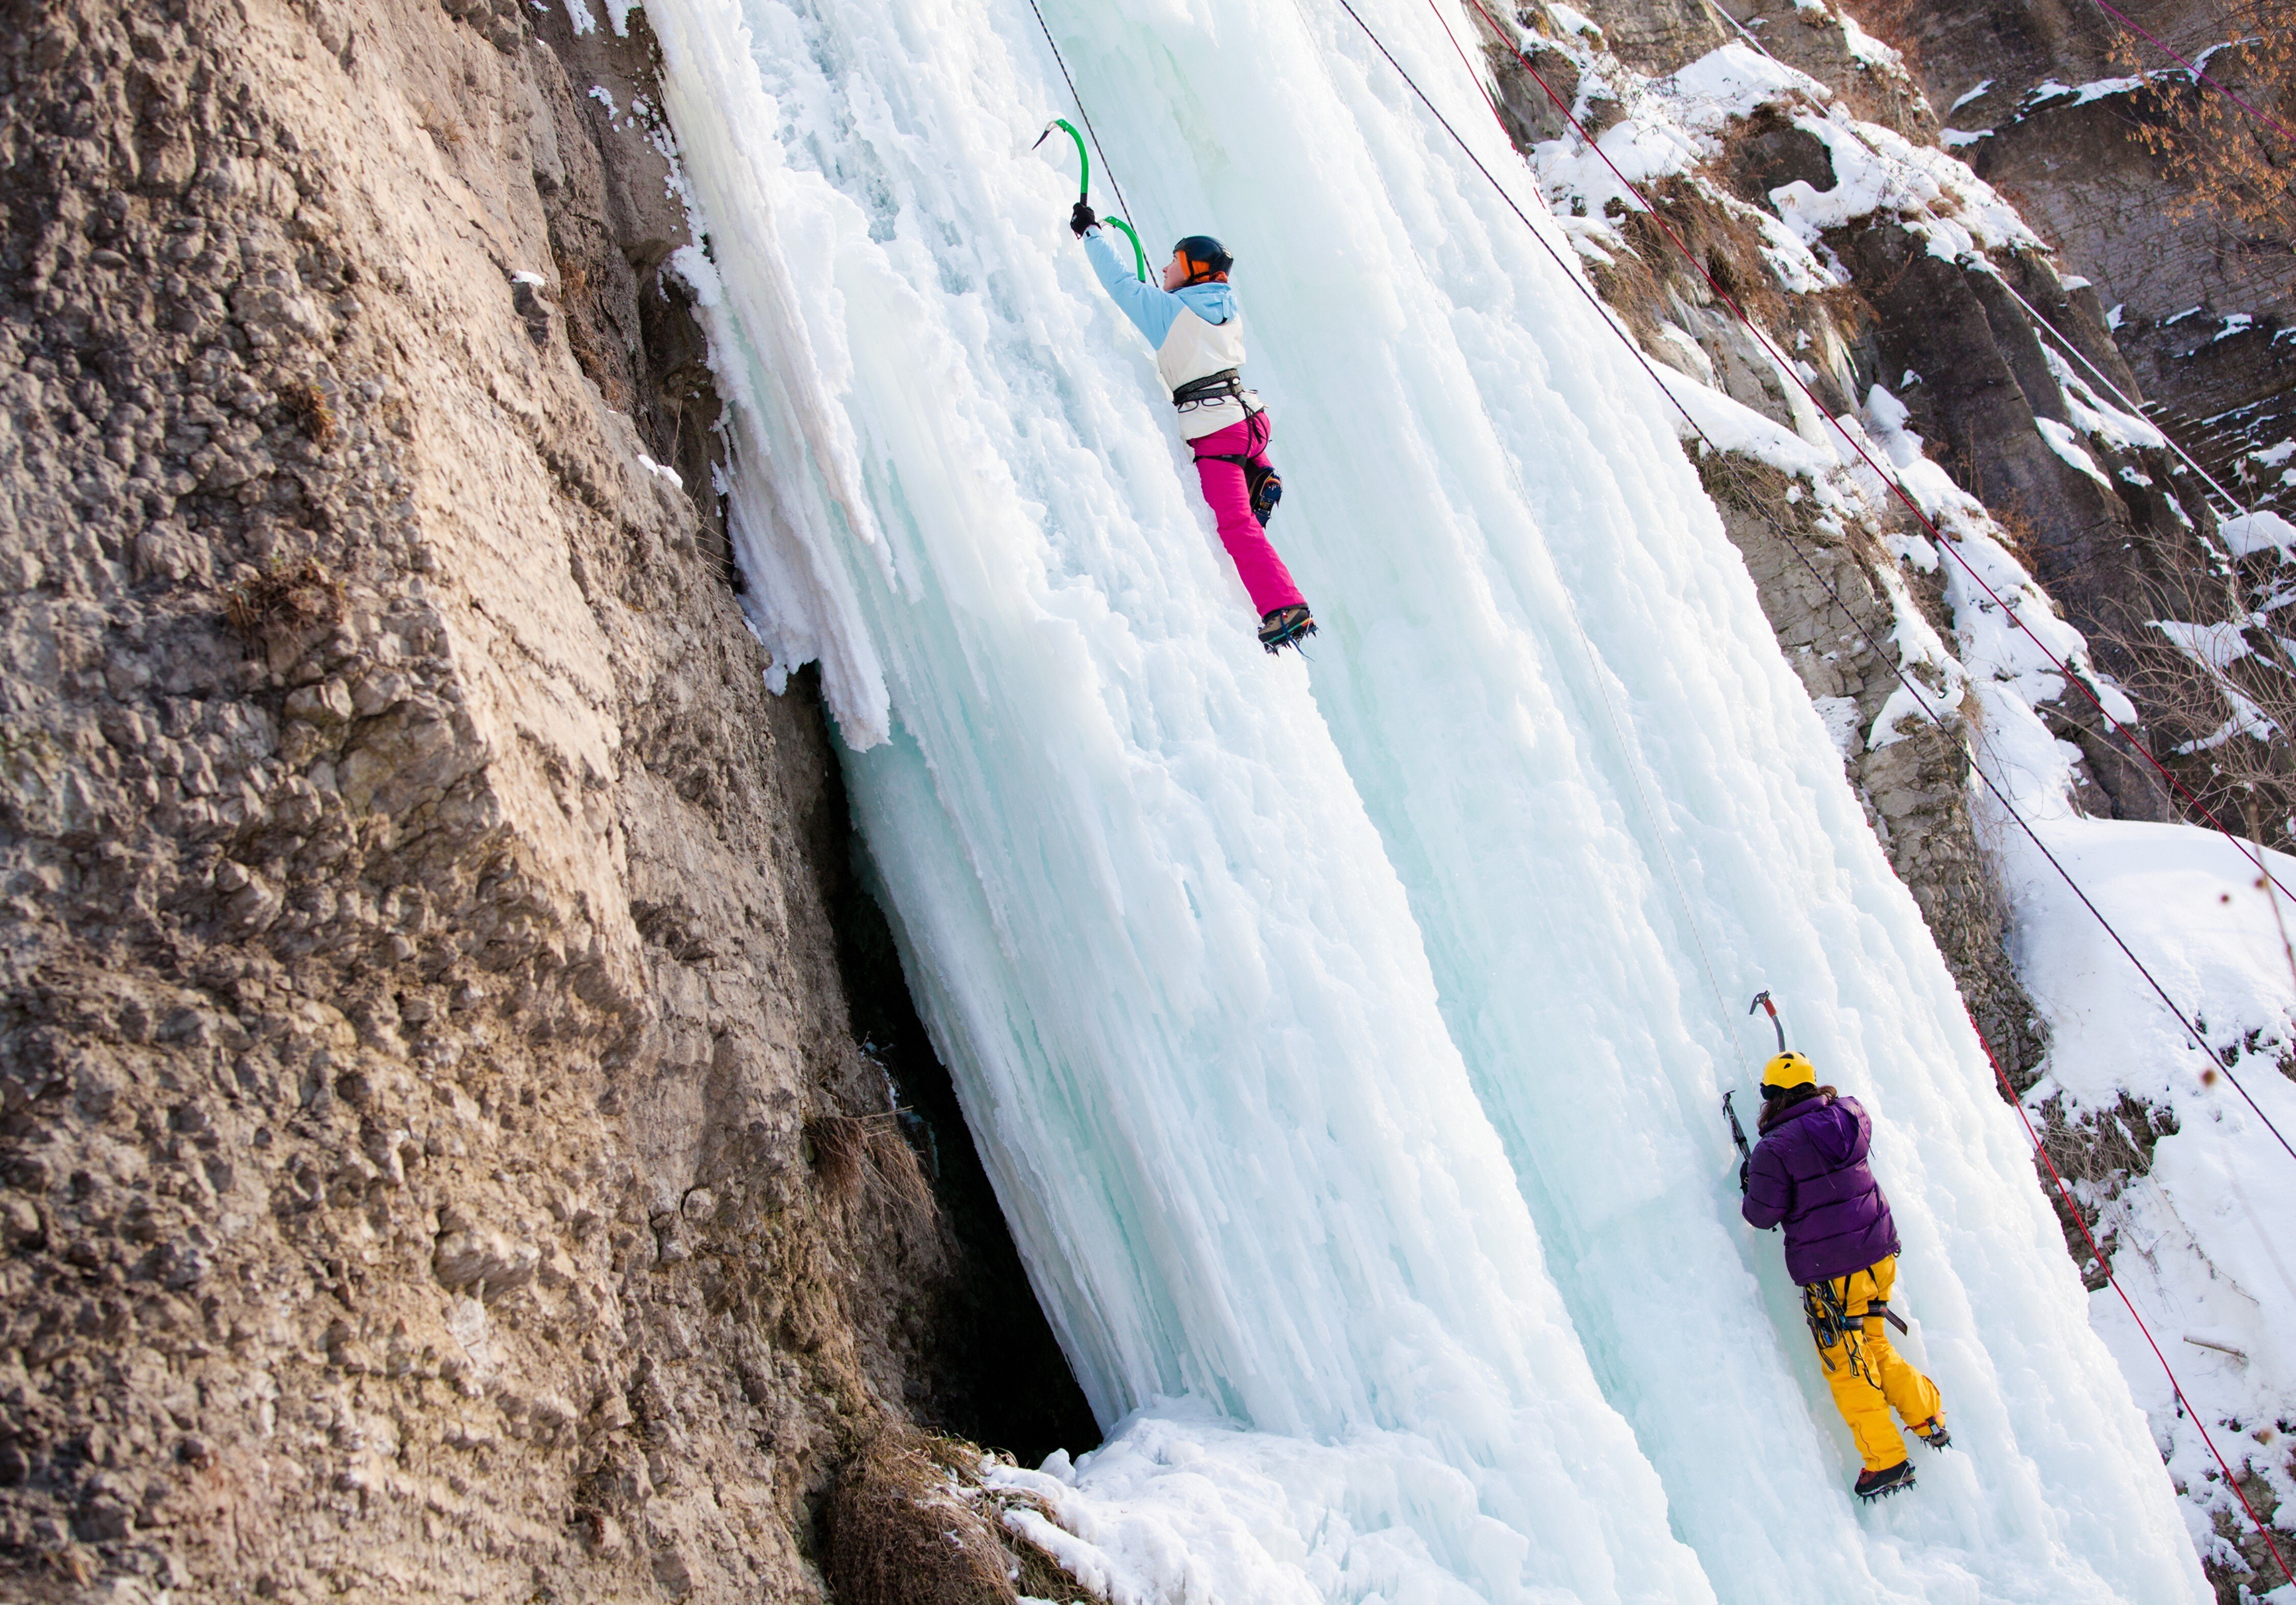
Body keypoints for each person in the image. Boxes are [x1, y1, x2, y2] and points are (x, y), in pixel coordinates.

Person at [1069, 202, 1316, 653]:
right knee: (1243, 456)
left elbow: (1122, 285)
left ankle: (1285, 606)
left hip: (1217, 430)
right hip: (1250, 421)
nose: (1165, 267)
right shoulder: (1227, 307)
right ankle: (1261, 472)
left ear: (1193, 273)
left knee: (1237, 524)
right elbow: (1183, 309)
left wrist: (1091, 233)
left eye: (1175, 263)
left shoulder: (1168, 315)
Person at [1741, 1050, 1951, 1501]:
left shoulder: (1774, 1150)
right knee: (1873, 1342)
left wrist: (1752, 1176)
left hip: (1832, 1273)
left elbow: (1760, 1214)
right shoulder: (1851, 1117)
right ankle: (1927, 1416)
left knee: (1847, 1365)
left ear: (1771, 1097)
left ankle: (1886, 1459)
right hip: (1879, 1256)